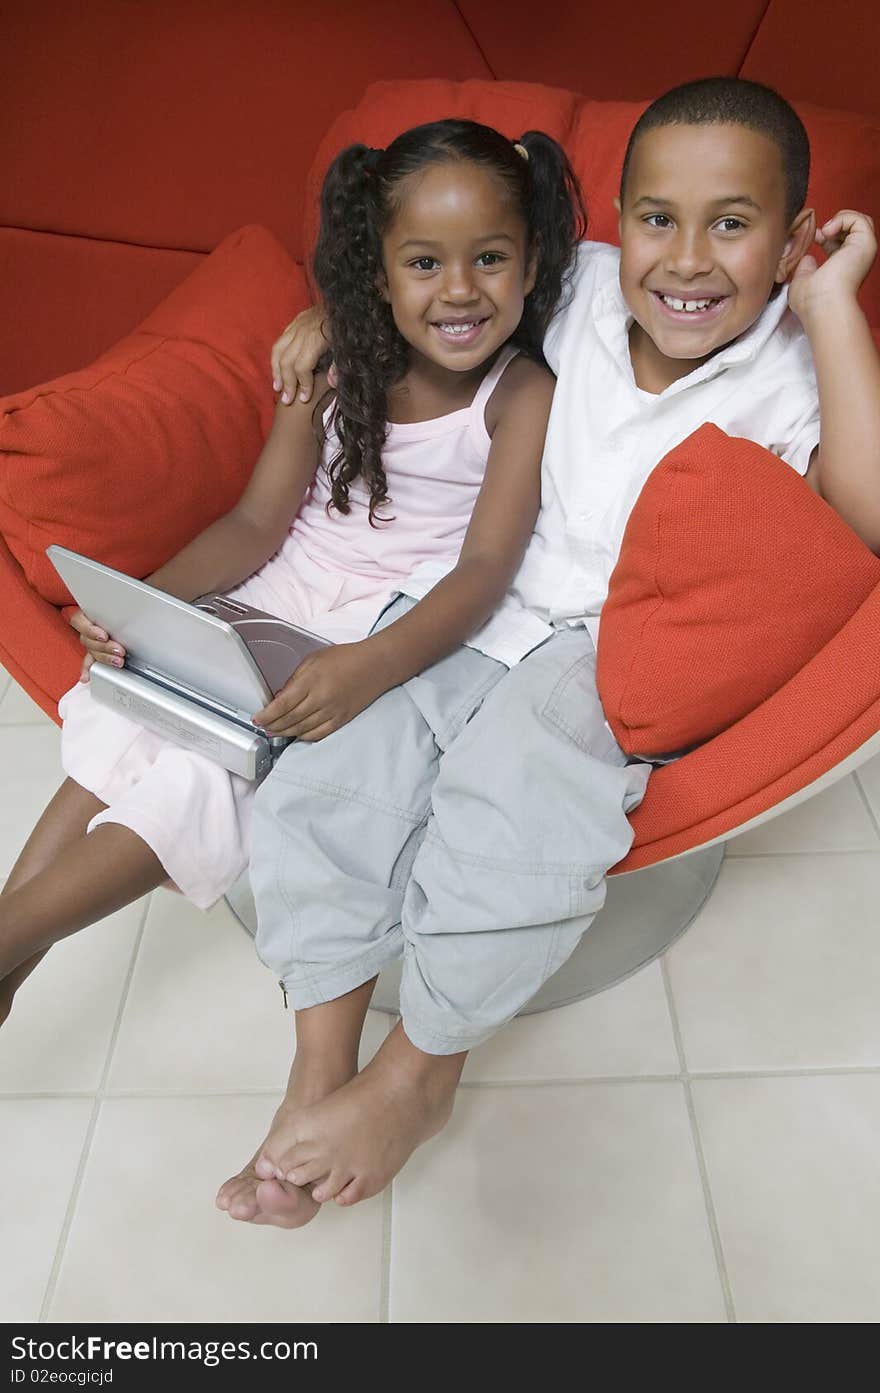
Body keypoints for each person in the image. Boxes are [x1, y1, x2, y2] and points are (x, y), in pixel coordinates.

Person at [218, 77, 880, 1229]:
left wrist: (831, 308)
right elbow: (447, 283)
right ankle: (318, 1073)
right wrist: (336, 317)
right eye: (656, 220)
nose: (686, 259)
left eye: (733, 224)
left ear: (789, 242)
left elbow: (867, 516)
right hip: (476, 598)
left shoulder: (789, 368)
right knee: (329, 785)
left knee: (508, 816)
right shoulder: (566, 287)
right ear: (609, 225)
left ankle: (418, 1073)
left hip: (606, 646)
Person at [0, 117, 586, 1029]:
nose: (460, 290)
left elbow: (482, 573)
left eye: (492, 258)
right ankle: (9, 964)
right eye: (424, 263)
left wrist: (369, 667)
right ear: (379, 270)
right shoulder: (332, 360)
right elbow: (253, 522)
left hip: (370, 633)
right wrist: (148, 605)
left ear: (534, 258)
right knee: (127, 724)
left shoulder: (521, 394)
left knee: (206, 775)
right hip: (274, 597)